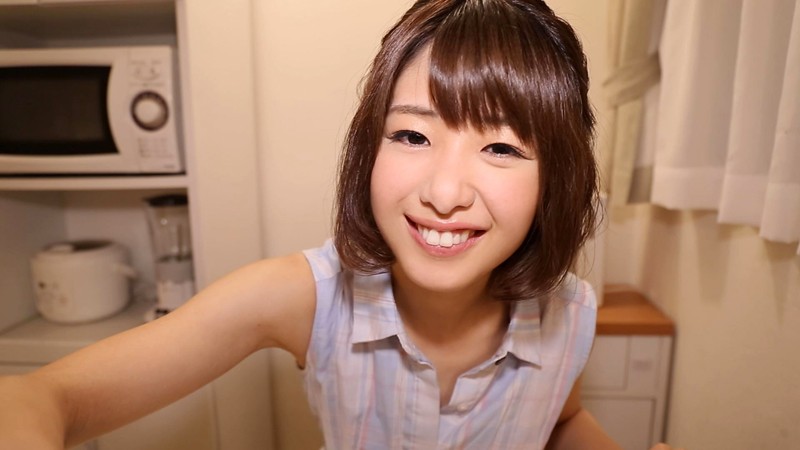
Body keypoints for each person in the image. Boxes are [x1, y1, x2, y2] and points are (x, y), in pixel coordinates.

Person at [0, 1, 681, 449]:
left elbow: (560, 419)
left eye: (500, 147)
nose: (444, 192)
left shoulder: (569, 313)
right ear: (368, 148)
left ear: (553, 179)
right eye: (412, 136)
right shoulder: (306, 296)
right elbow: (39, 398)